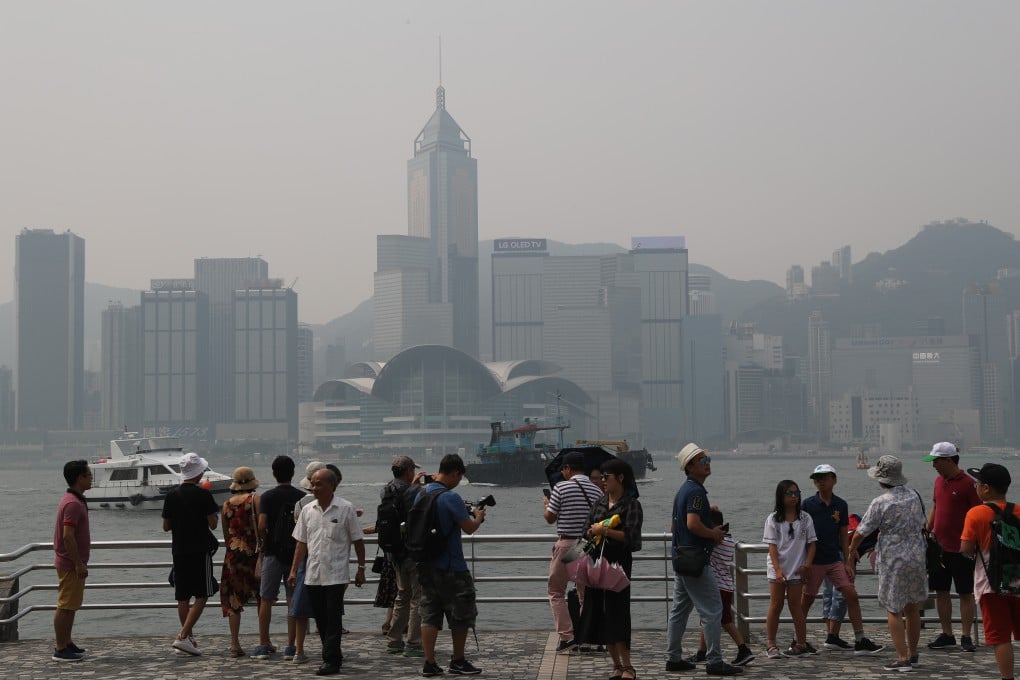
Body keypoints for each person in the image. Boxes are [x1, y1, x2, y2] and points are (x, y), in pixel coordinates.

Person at [665, 443, 742, 676]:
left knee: (679, 610)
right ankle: (714, 661)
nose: (707, 463)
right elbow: (692, 524)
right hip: (695, 561)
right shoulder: (696, 492)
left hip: (681, 558)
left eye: (707, 459)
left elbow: (674, 525)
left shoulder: (682, 491)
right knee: (713, 609)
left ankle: (673, 658)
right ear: (689, 466)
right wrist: (714, 534)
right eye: (702, 460)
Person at [849, 455, 927, 672]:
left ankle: (901, 658)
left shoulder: (881, 502)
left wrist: (851, 551)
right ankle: (913, 654)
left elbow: (860, 532)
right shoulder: (915, 495)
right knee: (912, 608)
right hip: (917, 556)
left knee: (893, 609)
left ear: (882, 479)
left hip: (893, 558)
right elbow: (923, 523)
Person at [287, 467, 366, 676]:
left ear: (332, 485)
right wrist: (294, 570)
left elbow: (358, 540)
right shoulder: (307, 510)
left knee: (333, 618)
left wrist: (361, 568)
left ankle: (330, 660)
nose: (314, 487)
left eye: (319, 483)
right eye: (312, 483)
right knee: (321, 618)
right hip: (313, 574)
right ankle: (332, 654)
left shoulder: (345, 508)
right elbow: (301, 544)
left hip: (336, 573)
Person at [801, 463, 883, 655]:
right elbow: (801, 534)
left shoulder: (841, 505)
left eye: (824, 478)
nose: (819, 481)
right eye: (816, 478)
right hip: (814, 561)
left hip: (834, 559)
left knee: (851, 595)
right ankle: (799, 640)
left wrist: (847, 559)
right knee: (806, 600)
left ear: (834, 480)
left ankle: (860, 639)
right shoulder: (807, 505)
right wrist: (803, 563)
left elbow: (843, 534)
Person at [416, 453, 486, 677]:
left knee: (429, 614)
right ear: (456, 473)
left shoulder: (422, 493)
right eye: (459, 477)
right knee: (461, 614)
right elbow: (469, 528)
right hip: (452, 566)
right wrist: (478, 516)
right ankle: (458, 660)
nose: (459, 481)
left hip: (426, 564)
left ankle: (430, 662)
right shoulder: (451, 497)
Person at [575, 459, 643, 680]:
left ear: (620, 478)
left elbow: (632, 538)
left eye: (606, 477)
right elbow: (585, 531)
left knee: (619, 612)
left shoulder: (631, 504)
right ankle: (615, 665)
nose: (602, 481)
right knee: (600, 614)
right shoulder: (599, 503)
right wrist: (592, 533)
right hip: (597, 564)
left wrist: (605, 530)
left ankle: (628, 666)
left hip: (618, 565)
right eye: (601, 477)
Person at [960, 463, 1020, 680]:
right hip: (1018, 581)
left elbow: (966, 549)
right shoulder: (1019, 510)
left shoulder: (976, 514)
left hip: (990, 585)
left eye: (978, 484)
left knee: (1001, 638)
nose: (975, 487)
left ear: (986, 489)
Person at [923, 442, 981, 653]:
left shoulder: (969, 484)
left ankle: (966, 635)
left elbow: (978, 515)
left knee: (966, 593)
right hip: (939, 549)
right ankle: (947, 634)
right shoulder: (939, 482)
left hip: (962, 549)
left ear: (949, 460)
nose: (934, 465)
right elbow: (936, 507)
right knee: (941, 592)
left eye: (936, 461)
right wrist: (926, 529)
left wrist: (974, 543)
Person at [543, 450, 602, 652]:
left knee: (556, 591)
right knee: (585, 594)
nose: (563, 473)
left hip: (567, 543)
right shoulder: (597, 491)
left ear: (568, 468)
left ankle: (567, 636)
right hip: (587, 544)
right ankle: (585, 639)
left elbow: (550, 518)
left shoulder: (561, 487)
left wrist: (546, 505)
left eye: (563, 469)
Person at [162, 452, 219, 656]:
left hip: (179, 551)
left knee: (182, 597)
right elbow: (213, 524)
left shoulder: (171, 495)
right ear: (199, 473)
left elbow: (166, 526)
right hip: (200, 550)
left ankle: (189, 638)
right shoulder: (204, 495)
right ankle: (183, 636)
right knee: (203, 594)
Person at [684, 507, 755, 667]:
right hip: (726, 585)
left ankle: (744, 649)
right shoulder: (728, 539)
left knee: (725, 620)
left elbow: (694, 536)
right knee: (707, 618)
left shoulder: (715, 541)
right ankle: (701, 652)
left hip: (718, 587)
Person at [255, 455, 308, 661]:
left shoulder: (267, 497)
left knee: (266, 598)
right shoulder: (301, 497)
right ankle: (291, 646)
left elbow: (261, 525)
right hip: (295, 553)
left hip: (272, 553)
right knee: (292, 600)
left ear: (274, 473)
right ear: (293, 473)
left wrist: (264, 542)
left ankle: (263, 643)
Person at [377, 455, 426, 657]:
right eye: (413, 470)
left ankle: (394, 640)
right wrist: (416, 487)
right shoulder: (412, 491)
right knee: (417, 598)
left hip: (393, 552)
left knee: (401, 596)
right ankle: (413, 643)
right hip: (411, 551)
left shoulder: (386, 490)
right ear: (408, 472)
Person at [763, 480, 817, 659]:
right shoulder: (773, 519)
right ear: (781, 496)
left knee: (796, 607)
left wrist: (807, 565)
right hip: (777, 570)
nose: (794, 496)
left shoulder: (805, 518)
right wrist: (778, 570)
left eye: (796, 493)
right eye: (789, 493)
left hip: (797, 570)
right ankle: (771, 644)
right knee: (776, 605)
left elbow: (812, 544)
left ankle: (801, 644)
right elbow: (772, 547)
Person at [51, 459, 92, 662]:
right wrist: (78, 563)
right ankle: (60, 647)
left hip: (72, 562)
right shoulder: (73, 503)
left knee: (71, 604)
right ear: (80, 478)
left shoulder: (74, 499)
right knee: (66, 605)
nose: (92, 478)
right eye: (89, 474)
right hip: (70, 563)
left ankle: (67, 641)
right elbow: (68, 535)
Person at [220, 466, 261, 657]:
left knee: (233, 600)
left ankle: (234, 644)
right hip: (252, 553)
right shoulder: (255, 500)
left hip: (232, 554)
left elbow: (226, 532)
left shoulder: (226, 504)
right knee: (261, 596)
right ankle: (264, 640)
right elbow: (261, 527)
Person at [288, 461, 326, 665]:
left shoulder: (301, 504)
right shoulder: (340, 503)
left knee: (300, 609)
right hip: (324, 562)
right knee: (327, 610)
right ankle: (327, 649)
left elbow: (299, 539)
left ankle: (299, 649)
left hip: (305, 561)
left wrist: (293, 569)